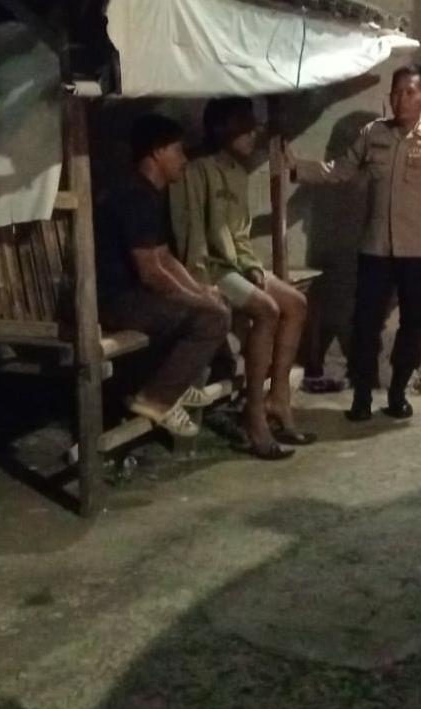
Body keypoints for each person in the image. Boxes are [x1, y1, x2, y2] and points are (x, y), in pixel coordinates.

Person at [286, 64, 421, 422]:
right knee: (365, 323)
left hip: (418, 251)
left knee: (413, 323)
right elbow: (341, 170)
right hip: (375, 249)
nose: (401, 100)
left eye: (410, 92)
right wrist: (297, 167)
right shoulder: (373, 134)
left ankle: (397, 392)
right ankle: (362, 395)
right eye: (396, 93)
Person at [170, 97, 314, 460]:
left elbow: (240, 234)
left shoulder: (237, 171)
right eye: (244, 127)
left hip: (235, 265)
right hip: (210, 269)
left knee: (296, 304)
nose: (253, 134)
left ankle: (278, 398)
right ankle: (254, 414)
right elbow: (191, 234)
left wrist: (251, 266)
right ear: (221, 129)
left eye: (253, 127)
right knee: (267, 310)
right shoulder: (196, 170)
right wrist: (200, 286)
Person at [94, 114, 231, 439]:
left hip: (133, 296)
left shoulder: (149, 192)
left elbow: (164, 256)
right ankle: (157, 398)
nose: (184, 159)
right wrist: (199, 301)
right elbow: (151, 272)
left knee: (213, 304)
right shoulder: (134, 195)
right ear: (157, 152)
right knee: (213, 319)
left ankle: (172, 385)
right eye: (178, 150)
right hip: (115, 300)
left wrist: (200, 290)